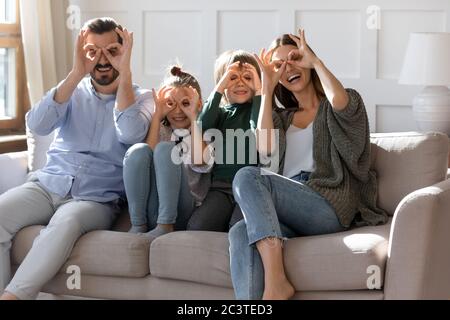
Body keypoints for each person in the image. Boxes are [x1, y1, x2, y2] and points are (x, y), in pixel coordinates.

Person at [228, 30, 388, 300]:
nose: (288, 67)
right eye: (279, 65)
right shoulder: (282, 118)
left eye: (293, 58)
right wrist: (266, 89)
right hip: (288, 208)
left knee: (246, 176)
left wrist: (315, 62)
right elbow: (265, 148)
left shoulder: (337, 105)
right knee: (240, 232)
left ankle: (276, 280)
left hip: (326, 205)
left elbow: (342, 105)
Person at [0, 17, 152, 300]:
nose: (102, 59)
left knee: (65, 224)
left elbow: (131, 133)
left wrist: (125, 72)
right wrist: (75, 72)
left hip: (95, 199)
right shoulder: (71, 90)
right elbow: (37, 125)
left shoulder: (143, 98)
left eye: (112, 51)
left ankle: (14, 297)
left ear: (125, 52)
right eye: (93, 51)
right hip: (47, 186)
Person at [123, 66, 213, 237]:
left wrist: (194, 117)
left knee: (166, 149)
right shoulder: (161, 129)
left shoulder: (204, 133)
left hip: (181, 208)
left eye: (186, 104)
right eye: (171, 104)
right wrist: (157, 115)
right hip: (152, 204)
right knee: (138, 150)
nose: (178, 111)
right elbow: (145, 161)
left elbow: (201, 161)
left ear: (198, 104)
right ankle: (138, 224)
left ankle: (166, 224)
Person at [187, 50, 262, 232]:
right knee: (197, 226)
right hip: (220, 188)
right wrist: (220, 88)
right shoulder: (220, 114)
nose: (240, 83)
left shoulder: (259, 110)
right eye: (232, 77)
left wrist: (260, 90)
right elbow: (202, 124)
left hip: (250, 187)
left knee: (238, 229)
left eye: (247, 77)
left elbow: (257, 127)